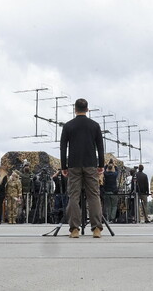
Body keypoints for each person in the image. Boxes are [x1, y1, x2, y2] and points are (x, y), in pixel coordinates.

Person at [59, 98, 104, 238]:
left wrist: (63, 166)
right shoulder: (95, 125)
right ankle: (96, 228)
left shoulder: (68, 126)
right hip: (90, 164)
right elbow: (100, 147)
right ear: (87, 109)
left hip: (73, 164)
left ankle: (74, 229)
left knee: (74, 196)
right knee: (94, 196)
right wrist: (101, 164)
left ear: (75, 109)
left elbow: (63, 147)